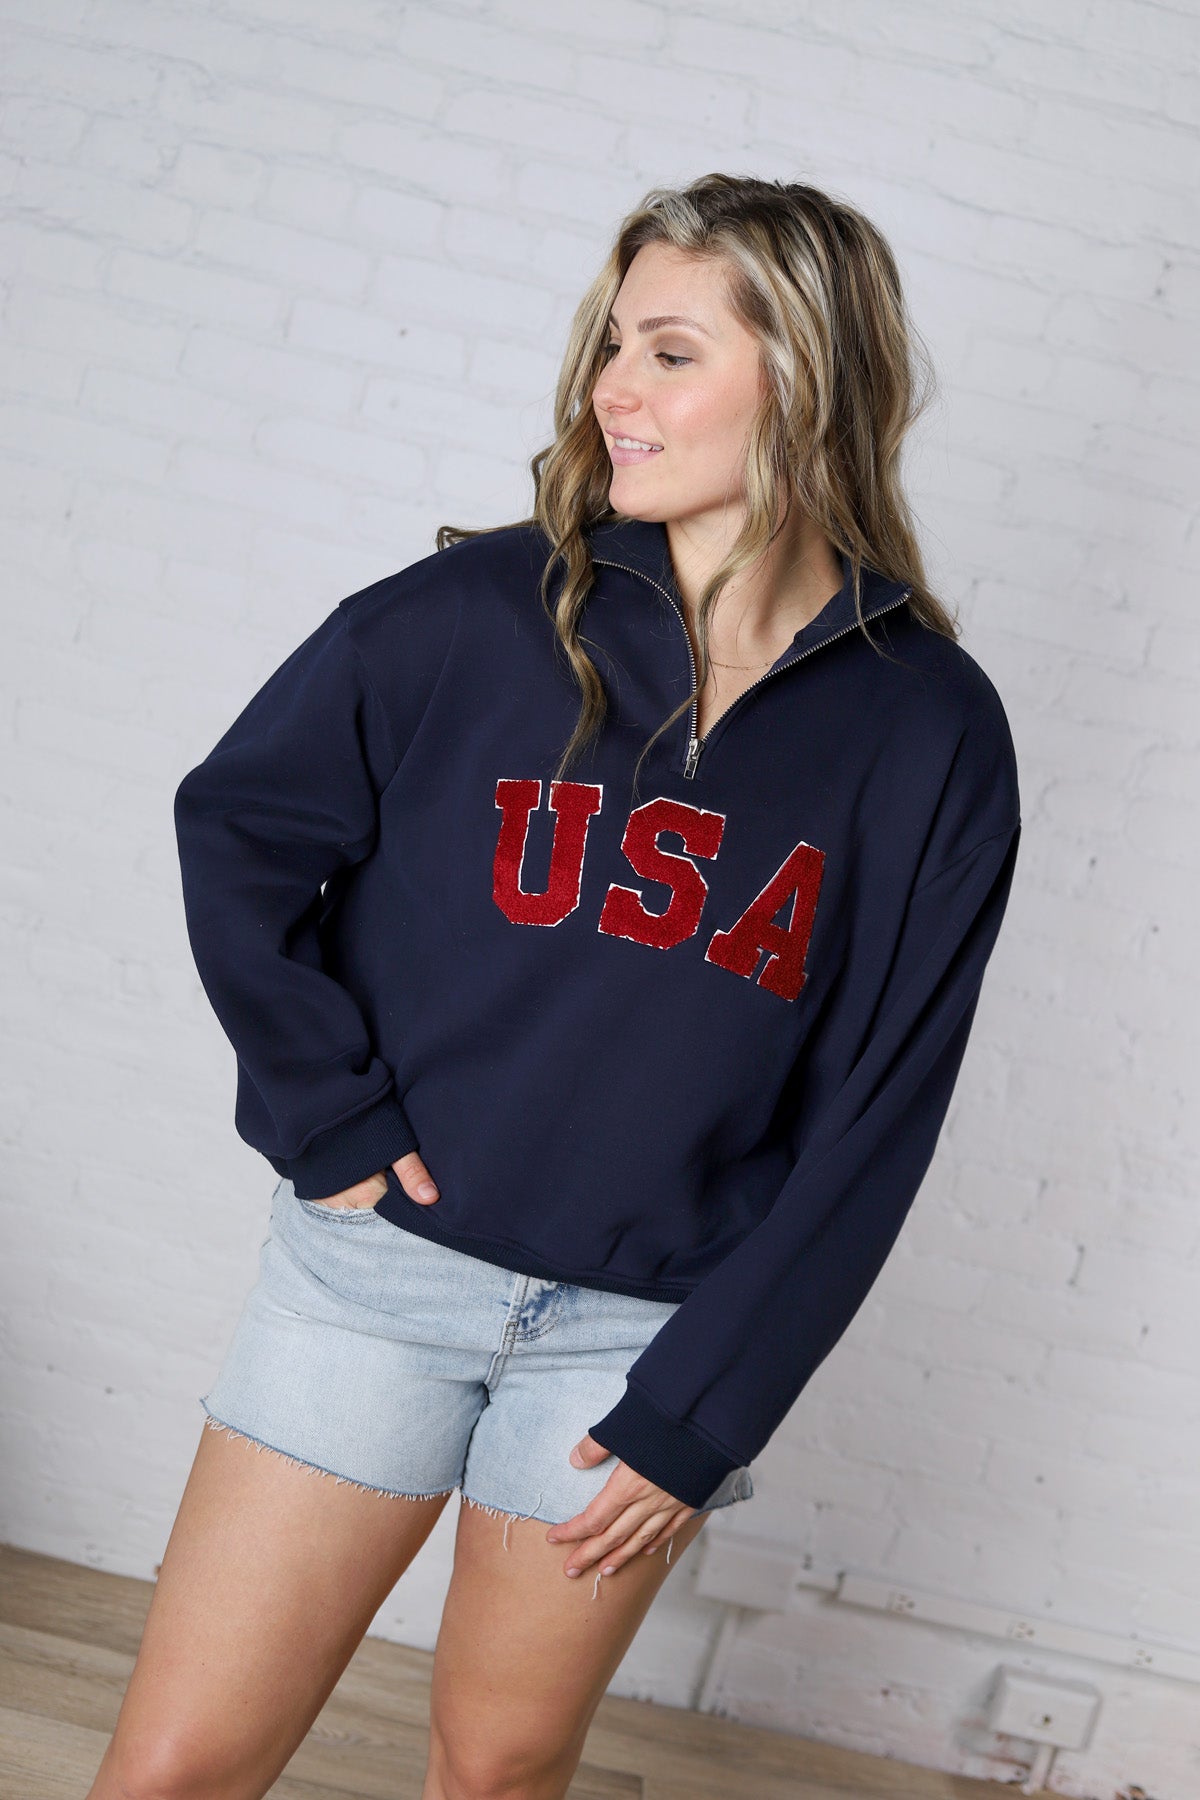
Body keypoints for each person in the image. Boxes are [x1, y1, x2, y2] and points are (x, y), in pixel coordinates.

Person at [87, 173, 1021, 1800]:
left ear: (806, 378)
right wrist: (324, 1108)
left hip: (641, 1338)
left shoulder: (930, 730)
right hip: (378, 1281)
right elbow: (239, 828)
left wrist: (707, 1408)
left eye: (669, 352)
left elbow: (881, 1112)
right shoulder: (474, 615)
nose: (611, 391)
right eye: (611, 346)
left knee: (502, 1772)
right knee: (178, 1769)